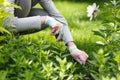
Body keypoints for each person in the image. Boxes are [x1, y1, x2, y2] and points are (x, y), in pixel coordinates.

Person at [3, 0, 88, 64]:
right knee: (47, 18)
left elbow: (57, 17)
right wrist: (46, 20)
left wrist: (72, 48)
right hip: (3, 21)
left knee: (51, 17)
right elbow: (7, 24)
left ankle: (8, 42)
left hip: (15, 14)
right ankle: (4, 44)